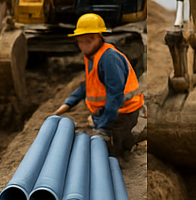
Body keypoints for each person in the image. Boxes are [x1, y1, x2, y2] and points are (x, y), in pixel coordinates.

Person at [52, 12, 145, 156]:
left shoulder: (109, 59)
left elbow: (115, 97)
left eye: (88, 41)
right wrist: (68, 104)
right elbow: (87, 85)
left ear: (100, 38)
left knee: (113, 153)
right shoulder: (91, 56)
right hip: (105, 112)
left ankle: (129, 141)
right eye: (80, 41)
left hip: (122, 114)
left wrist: (103, 128)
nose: (83, 46)